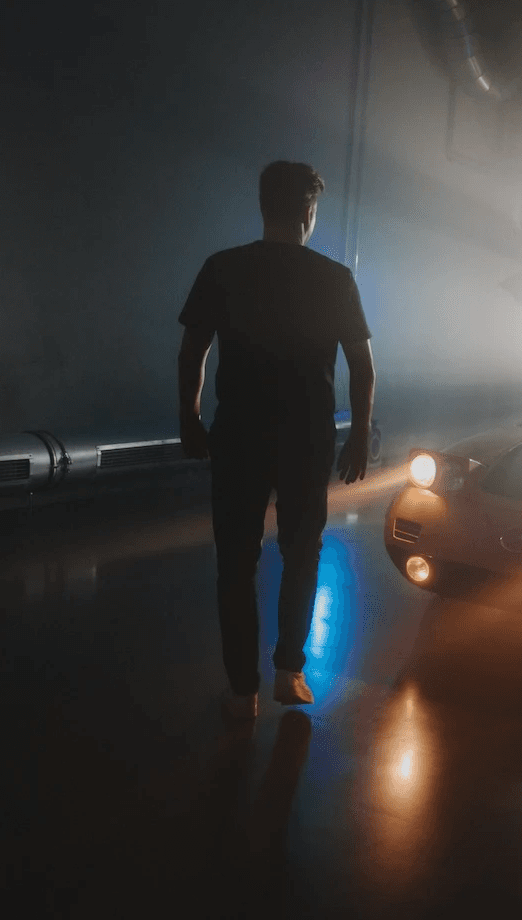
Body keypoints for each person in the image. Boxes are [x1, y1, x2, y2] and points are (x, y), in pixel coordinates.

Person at [177, 160, 376, 721]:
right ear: (309, 212)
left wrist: (189, 416)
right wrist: (359, 432)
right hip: (307, 436)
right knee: (302, 551)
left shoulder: (223, 268)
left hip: (237, 433)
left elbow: (194, 350)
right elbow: (362, 366)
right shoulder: (334, 278)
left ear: (263, 204)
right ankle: (290, 670)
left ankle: (243, 693)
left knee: (235, 563)